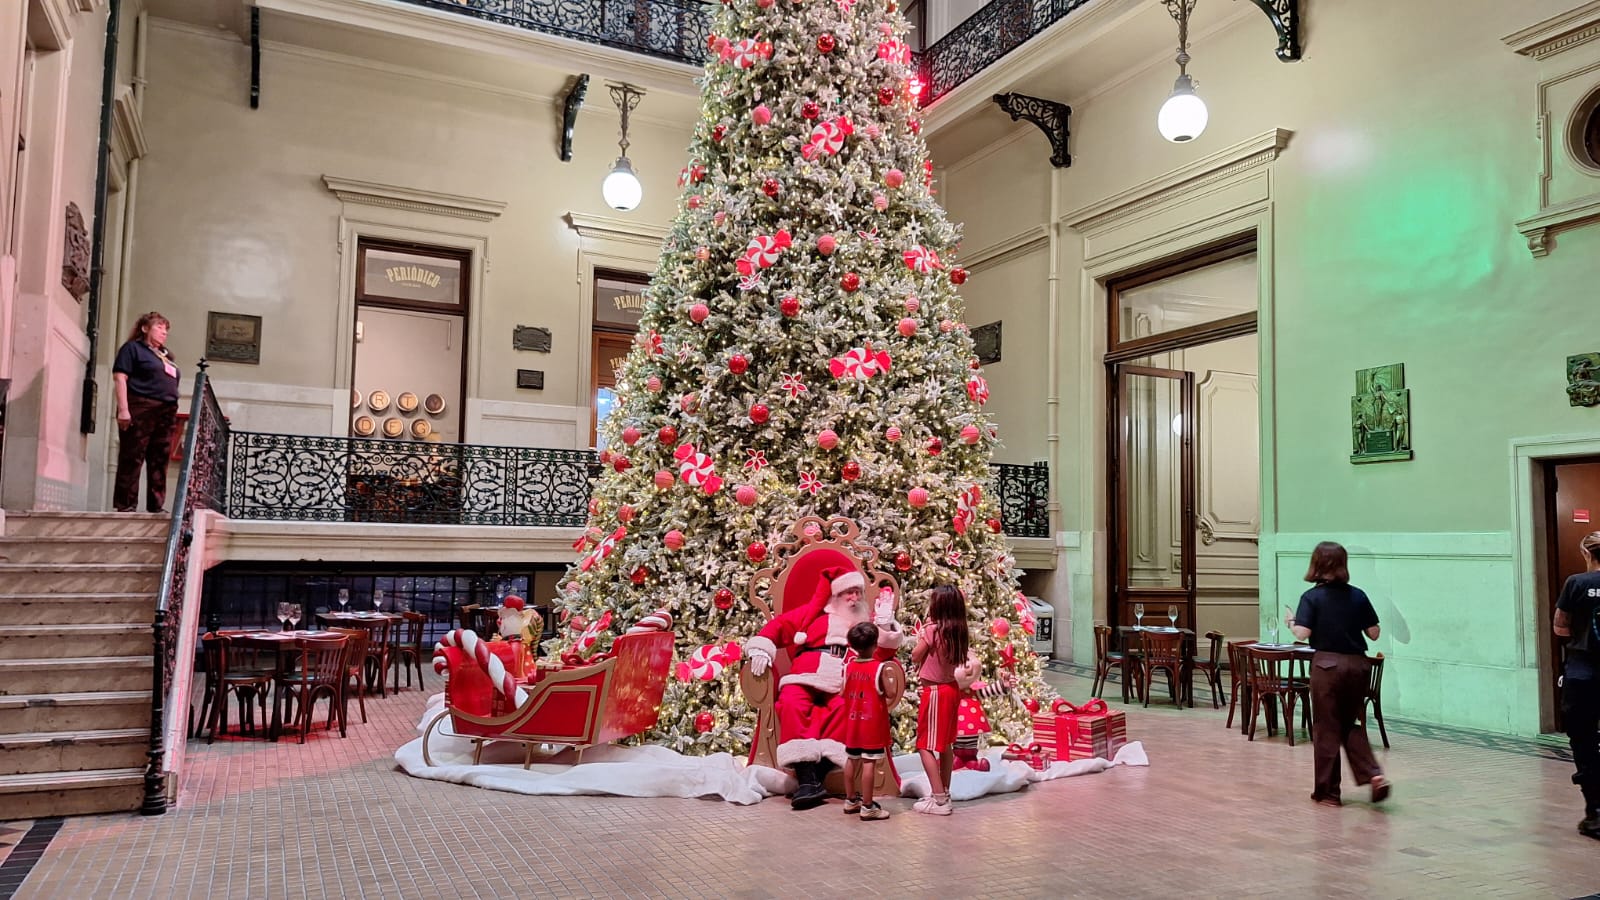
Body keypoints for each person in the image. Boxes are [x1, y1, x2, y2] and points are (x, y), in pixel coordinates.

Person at [744, 566, 902, 809]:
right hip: (806, 674)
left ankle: (812, 779)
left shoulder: (865, 623)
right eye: (848, 593)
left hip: (844, 680)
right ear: (835, 595)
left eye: (858, 592)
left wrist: (886, 627)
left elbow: (883, 652)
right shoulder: (814, 614)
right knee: (791, 701)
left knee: (847, 709)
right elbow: (778, 627)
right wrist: (760, 649)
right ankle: (809, 779)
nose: (855, 598)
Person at [1286, 541, 1390, 807]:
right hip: (1357, 666)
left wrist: (1291, 622)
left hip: (1327, 667)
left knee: (1325, 728)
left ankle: (1328, 793)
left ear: (1316, 565)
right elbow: (1374, 633)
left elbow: (1303, 634)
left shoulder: (1312, 597)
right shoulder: (1358, 595)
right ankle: (1374, 775)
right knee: (1348, 724)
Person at [1553, 531, 1600, 840]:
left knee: (1584, 743)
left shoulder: (1576, 583)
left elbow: (1559, 626)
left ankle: (1595, 813)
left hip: (1583, 675)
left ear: (1587, 554)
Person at [111, 311, 181, 513]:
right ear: (145, 328)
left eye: (166, 329)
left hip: (166, 412)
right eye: (159, 327)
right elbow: (120, 377)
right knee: (132, 456)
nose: (164, 332)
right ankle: (126, 505)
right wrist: (123, 409)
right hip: (140, 407)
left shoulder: (166, 356)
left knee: (160, 458)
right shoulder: (132, 349)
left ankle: (156, 504)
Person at [912, 584, 969, 816]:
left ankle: (938, 799)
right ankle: (944, 792)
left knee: (924, 745)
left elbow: (916, 654)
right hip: (951, 689)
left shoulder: (933, 630)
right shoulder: (958, 630)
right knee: (945, 745)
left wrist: (922, 633)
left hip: (934, 692)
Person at [840, 621, 893, 821]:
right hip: (871, 726)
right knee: (869, 762)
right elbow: (890, 692)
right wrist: (888, 678)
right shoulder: (879, 668)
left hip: (852, 724)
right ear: (875, 644)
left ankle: (851, 799)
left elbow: (842, 692)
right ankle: (868, 805)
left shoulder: (848, 667)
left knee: (851, 760)